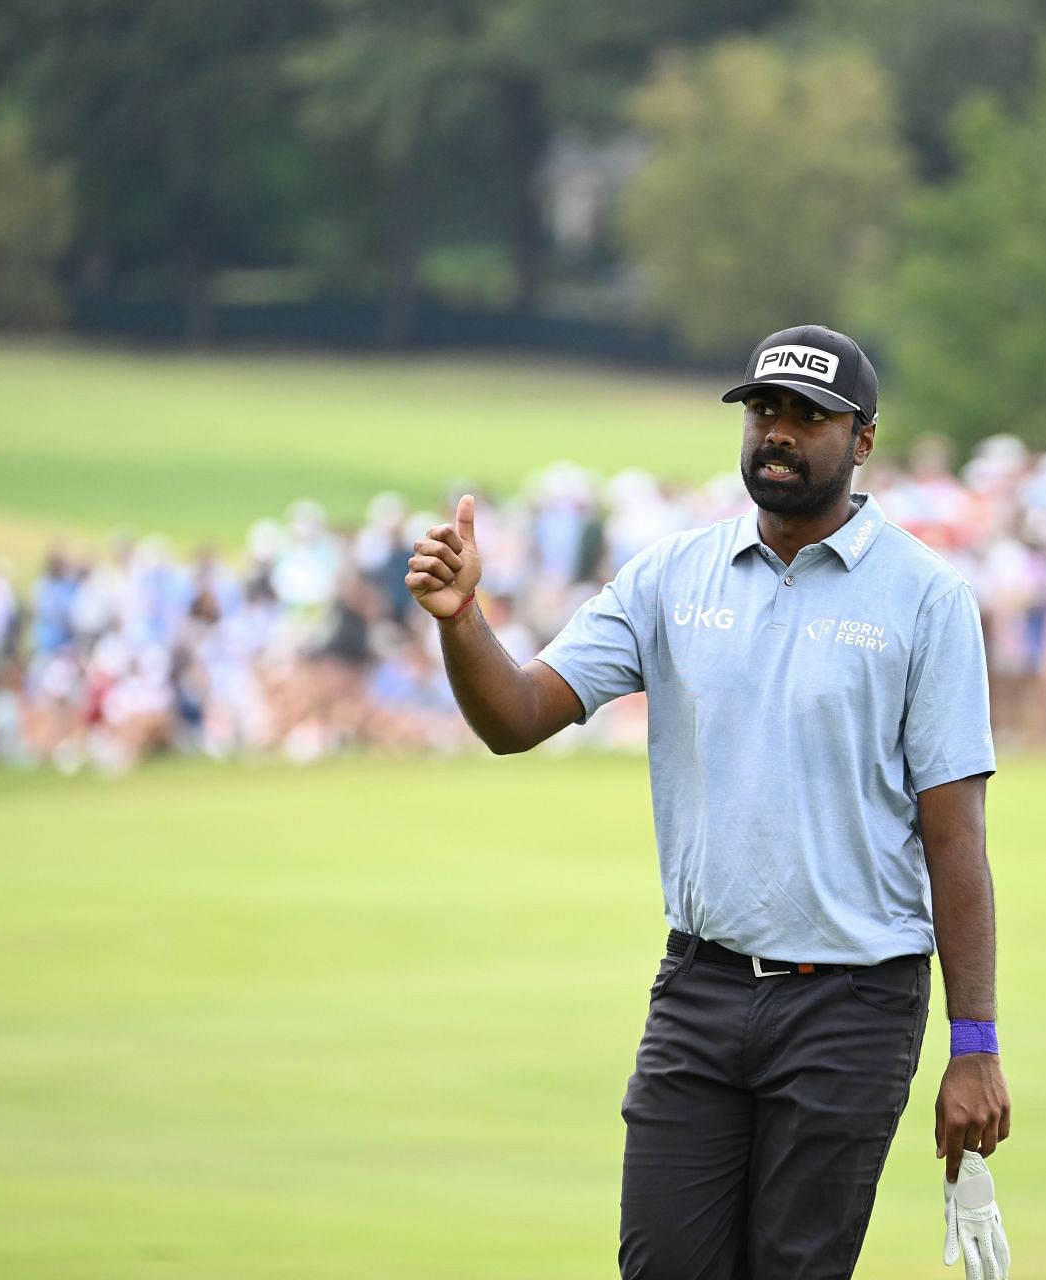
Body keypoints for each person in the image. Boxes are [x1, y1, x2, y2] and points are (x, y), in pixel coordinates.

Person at [406, 324, 1011, 1279]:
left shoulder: (926, 599)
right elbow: (517, 715)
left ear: (862, 442)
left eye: (810, 416)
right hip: (700, 989)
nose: (779, 432)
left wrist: (973, 1043)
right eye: (765, 410)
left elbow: (956, 838)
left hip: (852, 1005)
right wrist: (463, 622)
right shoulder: (671, 577)